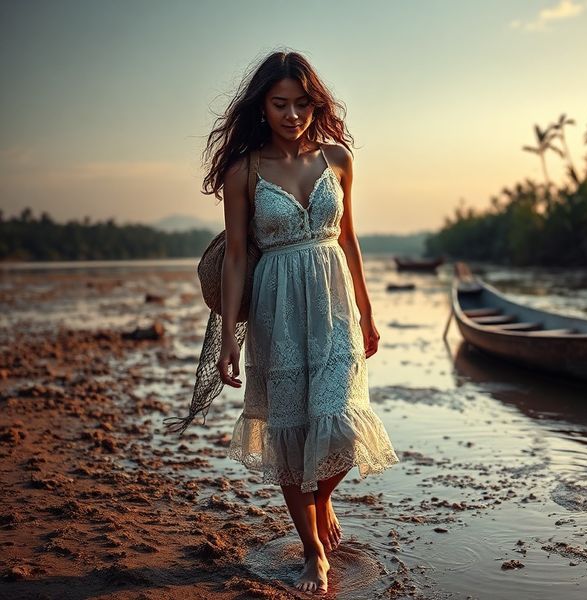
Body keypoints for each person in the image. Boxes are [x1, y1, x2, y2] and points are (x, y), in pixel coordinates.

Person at [202, 50, 400, 594]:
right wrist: (228, 341)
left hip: (334, 302)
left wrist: (367, 310)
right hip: (277, 309)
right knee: (288, 429)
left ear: (316, 103)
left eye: (302, 103)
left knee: (345, 418)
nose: (292, 115)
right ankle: (314, 551)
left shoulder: (337, 158)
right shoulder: (244, 170)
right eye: (280, 103)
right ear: (261, 106)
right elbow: (240, 255)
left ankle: (324, 498)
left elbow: (350, 238)